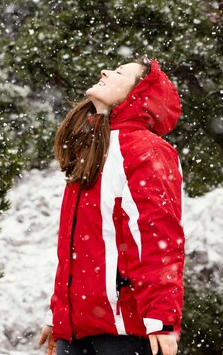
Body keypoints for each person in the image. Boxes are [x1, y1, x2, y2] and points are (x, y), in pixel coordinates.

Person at [38, 56, 185, 355]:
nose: (104, 71)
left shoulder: (147, 150)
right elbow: (74, 248)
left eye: (119, 73)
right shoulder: (91, 148)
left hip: (123, 333)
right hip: (76, 333)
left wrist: (162, 318)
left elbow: (159, 238)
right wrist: (58, 315)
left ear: (138, 94)